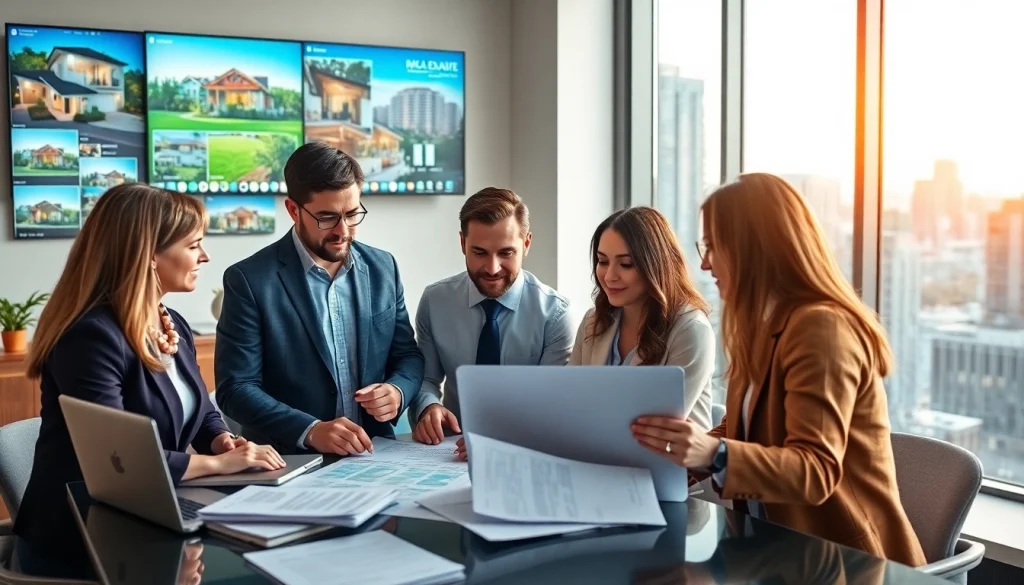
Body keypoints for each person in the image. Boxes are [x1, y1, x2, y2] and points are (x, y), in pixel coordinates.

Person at [630, 173, 927, 566]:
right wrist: (684, 461)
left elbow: (816, 470)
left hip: (850, 563)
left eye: (713, 246)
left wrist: (713, 454)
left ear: (753, 249)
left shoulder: (822, 328)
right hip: (775, 555)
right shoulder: (764, 326)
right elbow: (748, 427)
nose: (704, 262)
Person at [15, 184, 284, 569]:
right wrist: (220, 466)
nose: (205, 256)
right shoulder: (91, 337)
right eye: (194, 245)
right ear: (149, 256)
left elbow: (200, 408)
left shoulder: (172, 323)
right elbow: (121, 460)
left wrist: (220, 439)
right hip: (84, 535)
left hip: (150, 511)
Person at [215, 142, 424, 456]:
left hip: (376, 456)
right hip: (289, 461)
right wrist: (310, 430)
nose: (343, 231)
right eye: (327, 218)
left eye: (352, 214)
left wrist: (397, 390)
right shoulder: (249, 280)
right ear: (293, 210)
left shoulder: (384, 268)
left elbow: (407, 355)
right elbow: (236, 388)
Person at [410, 187, 575, 458]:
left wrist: (503, 437)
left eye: (506, 253)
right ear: (462, 243)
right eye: (479, 252)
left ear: (527, 244)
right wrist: (428, 408)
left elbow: (551, 404)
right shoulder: (435, 301)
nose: (492, 268)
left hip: (525, 450)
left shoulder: (555, 314)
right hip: (449, 452)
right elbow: (426, 379)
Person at [569, 206, 715, 431]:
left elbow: (656, 429)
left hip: (668, 461)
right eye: (603, 261)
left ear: (656, 265)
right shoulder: (593, 321)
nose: (609, 276)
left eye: (626, 264)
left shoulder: (691, 330)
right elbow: (569, 403)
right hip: (597, 455)